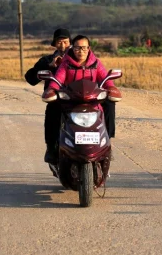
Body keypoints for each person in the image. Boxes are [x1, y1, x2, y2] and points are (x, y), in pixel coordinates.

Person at [43, 35, 122, 139]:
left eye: (84, 48)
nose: (81, 51)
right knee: (52, 107)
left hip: (92, 98)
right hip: (71, 99)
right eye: (77, 48)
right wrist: (52, 89)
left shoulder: (96, 63)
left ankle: (107, 137)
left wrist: (111, 88)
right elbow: (58, 80)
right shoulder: (65, 64)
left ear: (89, 48)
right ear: (72, 48)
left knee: (110, 103)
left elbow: (105, 79)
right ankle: (52, 145)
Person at [24, 28, 71, 163]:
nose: (63, 46)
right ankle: (51, 148)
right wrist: (49, 67)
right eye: (59, 42)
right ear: (55, 44)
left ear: (71, 43)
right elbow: (30, 78)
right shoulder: (47, 60)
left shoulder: (79, 59)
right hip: (57, 98)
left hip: (77, 97)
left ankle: (101, 146)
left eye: (66, 42)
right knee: (52, 113)